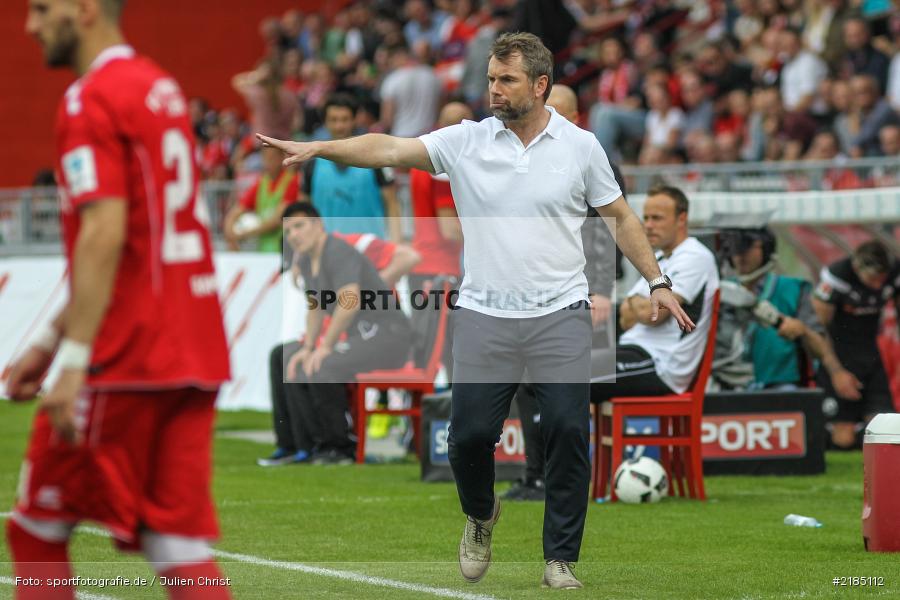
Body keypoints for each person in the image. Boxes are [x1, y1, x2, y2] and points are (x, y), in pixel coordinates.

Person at [257, 32, 692, 590]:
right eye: (490, 78)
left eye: (506, 80)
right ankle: (481, 515)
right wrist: (322, 148)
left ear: (540, 85)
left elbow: (623, 218)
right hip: (485, 314)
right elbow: (388, 148)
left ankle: (560, 559)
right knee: (466, 438)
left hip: (561, 311)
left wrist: (657, 280)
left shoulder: (581, 147)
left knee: (565, 428)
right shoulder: (465, 141)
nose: (493, 89)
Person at [7, 1, 232, 599]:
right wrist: (50, 341)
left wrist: (73, 358)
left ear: (83, 10)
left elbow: (105, 232)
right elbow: (139, 242)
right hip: (195, 344)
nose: (29, 26)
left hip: (128, 351)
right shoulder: (159, 87)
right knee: (176, 544)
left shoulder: (90, 98)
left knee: (36, 528)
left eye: (40, 9)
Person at [504, 84, 621, 503]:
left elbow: (611, 226)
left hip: (581, 292)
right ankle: (536, 475)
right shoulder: (528, 157)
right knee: (525, 385)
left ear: (575, 115)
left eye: (555, 109)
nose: (546, 115)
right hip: (534, 294)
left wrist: (603, 290)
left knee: (566, 392)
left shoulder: (588, 153)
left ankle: (563, 480)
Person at [274, 202, 413, 465]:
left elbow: (350, 300)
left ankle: (340, 447)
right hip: (361, 338)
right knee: (282, 356)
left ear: (318, 225)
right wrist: (308, 346)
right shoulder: (305, 260)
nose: (293, 235)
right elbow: (314, 309)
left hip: (389, 337)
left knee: (324, 363)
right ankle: (297, 445)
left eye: (299, 226)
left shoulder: (337, 251)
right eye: (288, 230)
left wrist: (324, 347)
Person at [593, 185, 718, 404]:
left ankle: (560, 437)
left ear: (682, 219)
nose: (648, 226)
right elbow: (627, 316)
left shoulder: (696, 256)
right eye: (646, 218)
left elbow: (654, 315)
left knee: (565, 378)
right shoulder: (658, 259)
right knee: (551, 369)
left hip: (662, 365)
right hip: (634, 352)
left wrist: (636, 304)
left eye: (657, 218)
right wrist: (638, 305)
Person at [712, 223, 862, 401]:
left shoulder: (793, 289)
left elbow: (818, 342)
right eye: (734, 251)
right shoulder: (720, 290)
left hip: (779, 386)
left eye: (748, 248)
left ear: (766, 249)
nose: (740, 257)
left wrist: (803, 331)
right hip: (727, 385)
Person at [813, 240, 900, 449]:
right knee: (843, 439)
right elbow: (817, 331)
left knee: (886, 431)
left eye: (882, 279)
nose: (878, 286)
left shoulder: (894, 273)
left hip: (871, 355)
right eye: (873, 279)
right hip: (838, 356)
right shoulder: (836, 277)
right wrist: (837, 373)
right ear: (857, 268)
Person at [304, 93, 402, 241]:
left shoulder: (375, 158)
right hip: (328, 252)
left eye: (345, 119)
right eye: (333, 120)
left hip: (370, 250)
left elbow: (392, 204)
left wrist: (396, 243)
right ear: (325, 122)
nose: (339, 125)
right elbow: (303, 211)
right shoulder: (312, 164)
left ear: (355, 120)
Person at [223, 145, 298, 252]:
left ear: (282, 157)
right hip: (265, 251)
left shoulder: (292, 181)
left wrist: (243, 234)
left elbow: (277, 220)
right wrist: (231, 234)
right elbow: (235, 212)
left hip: (286, 250)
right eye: (265, 158)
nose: (268, 162)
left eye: (272, 157)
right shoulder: (261, 183)